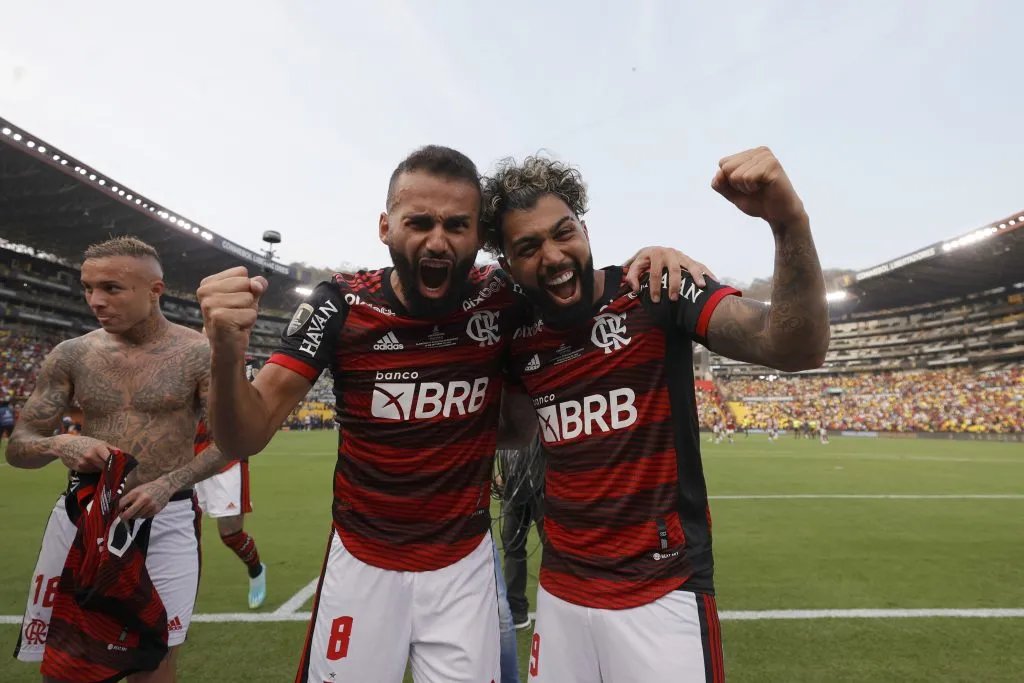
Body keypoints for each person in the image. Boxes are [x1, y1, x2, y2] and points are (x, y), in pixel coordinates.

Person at [197, 144, 698, 683]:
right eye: (419, 222)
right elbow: (246, 435)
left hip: (463, 565)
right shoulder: (339, 305)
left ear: (478, 237)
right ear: (385, 227)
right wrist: (226, 352)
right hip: (364, 560)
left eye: (457, 225)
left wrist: (656, 258)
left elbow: (575, 282)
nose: (437, 241)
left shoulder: (503, 298)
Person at [481, 146, 831, 682]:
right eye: (528, 246)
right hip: (560, 596)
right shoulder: (518, 334)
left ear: (586, 230)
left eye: (563, 232)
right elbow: (512, 427)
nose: (552, 255)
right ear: (507, 264)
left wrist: (787, 222)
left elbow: (794, 346)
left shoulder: (655, 289)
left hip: (663, 593)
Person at [6, 236, 235, 683]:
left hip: (166, 516)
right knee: (66, 662)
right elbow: (19, 446)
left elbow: (231, 442)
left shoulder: (198, 354)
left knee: (154, 662)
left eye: (112, 288)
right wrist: (58, 445)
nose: (96, 301)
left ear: (156, 290)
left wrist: (168, 483)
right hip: (83, 513)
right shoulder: (72, 354)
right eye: (88, 287)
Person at [193, 356, 267, 609]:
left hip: (226, 457)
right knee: (185, 531)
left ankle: (256, 570)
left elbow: (246, 404)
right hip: (187, 457)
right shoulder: (182, 354)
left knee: (231, 534)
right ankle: (183, 594)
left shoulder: (242, 361)